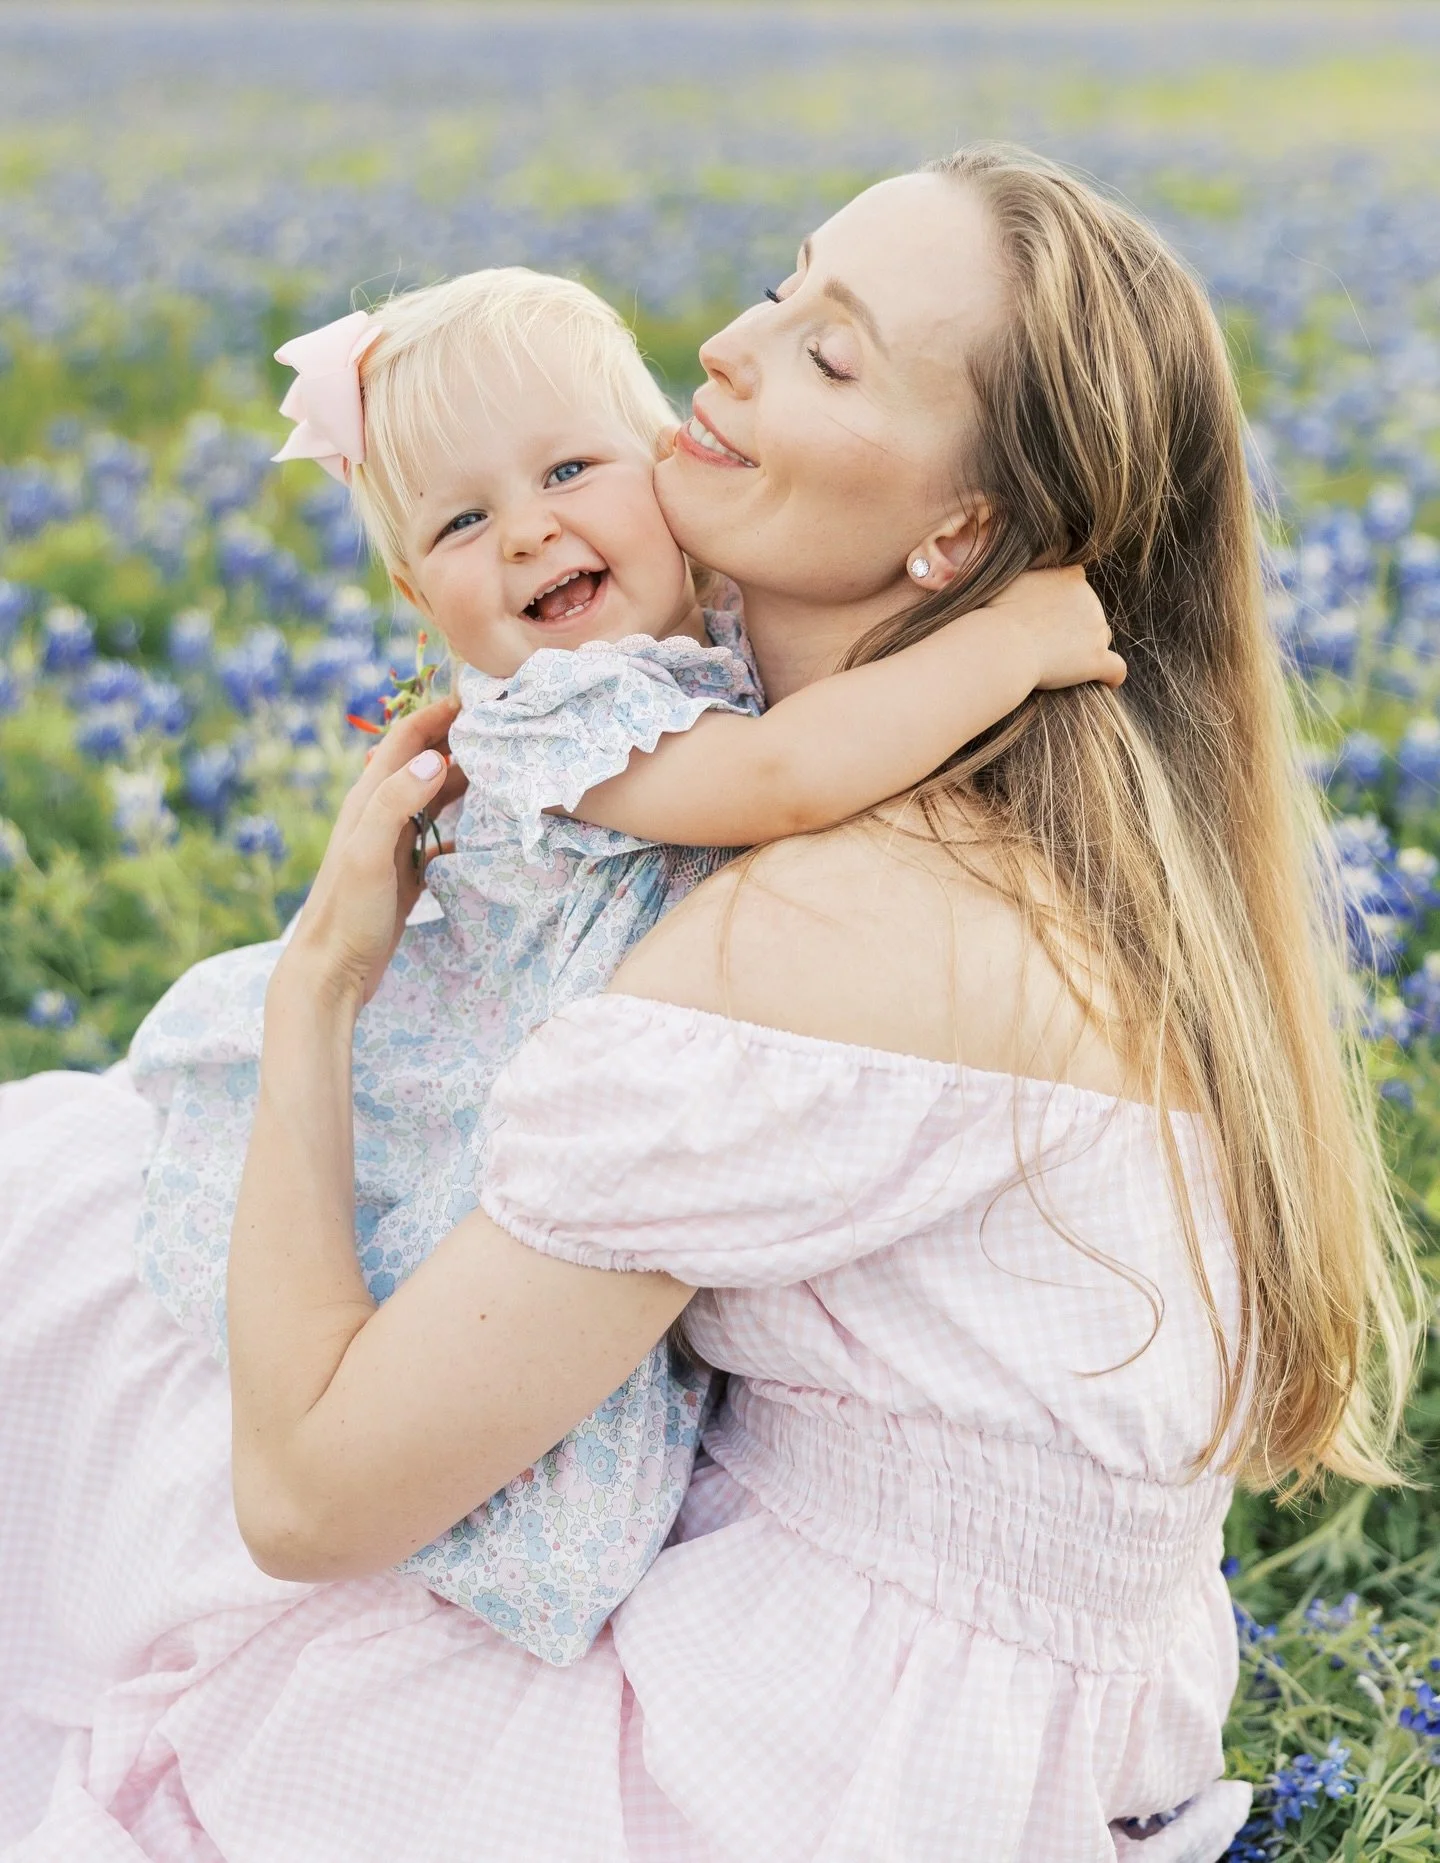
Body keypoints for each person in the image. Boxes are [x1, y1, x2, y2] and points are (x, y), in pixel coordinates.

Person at [0, 144, 1419, 1863]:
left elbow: (309, 1499)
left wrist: (316, 989)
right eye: (780, 282)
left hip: (801, 1769)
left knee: (60, 1256)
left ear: (960, 529)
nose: (731, 352)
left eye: (832, 355)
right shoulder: (1068, 825)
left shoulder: (817, 930)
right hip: (1014, 1721)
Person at [128, 264, 1118, 1666]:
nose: (529, 529)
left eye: (571, 467)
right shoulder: (551, 718)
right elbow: (777, 779)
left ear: (665, 466)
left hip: (652, 1117)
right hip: (515, 1121)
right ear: (420, 594)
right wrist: (1013, 640)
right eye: (463, 521)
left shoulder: (698, 647)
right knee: (477, 1427)